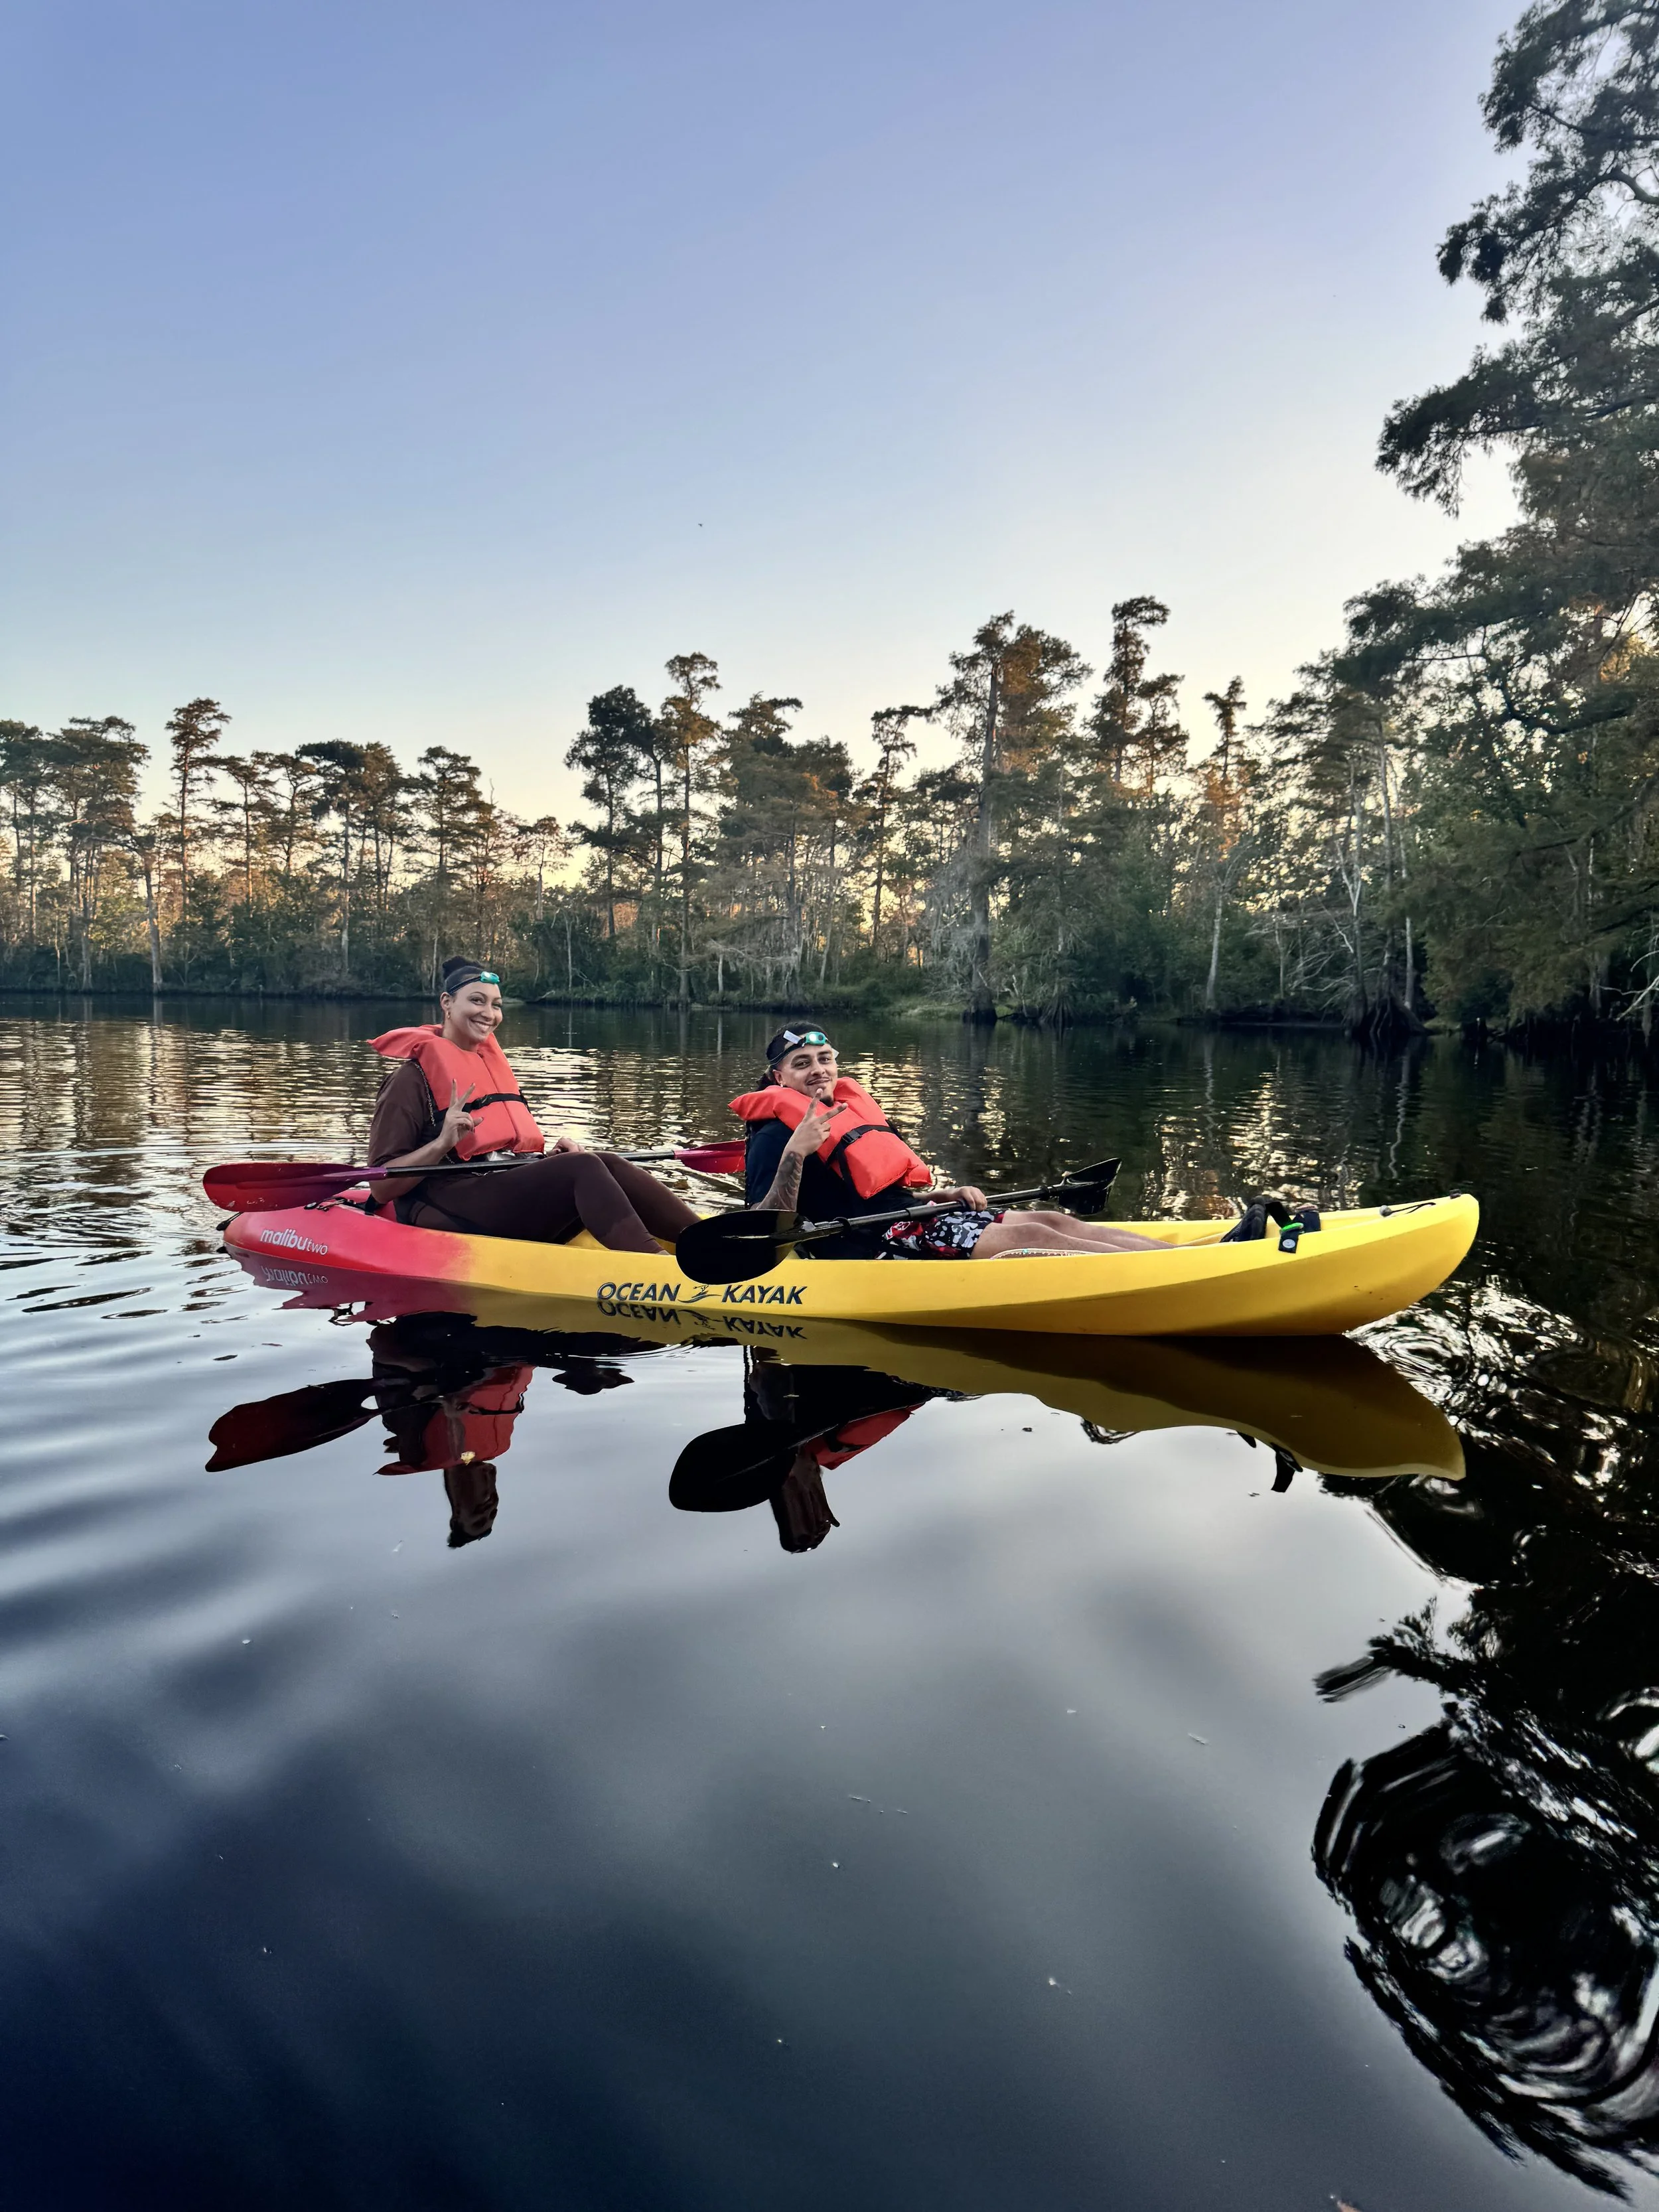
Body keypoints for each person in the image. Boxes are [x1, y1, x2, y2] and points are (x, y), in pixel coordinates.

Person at [732, 1023, 1169, 1260]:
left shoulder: (849, 1112)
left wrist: (942, 1194)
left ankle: (1184, 1258)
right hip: (866, 1243)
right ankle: (1161, 1274)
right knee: (1034, 1232)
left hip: (910, 1216)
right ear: (779, 1077)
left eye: (825, 1059)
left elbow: (881, 1191)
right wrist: (795, 1153)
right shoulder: (775, 1135)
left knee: (1053, 1222)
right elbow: (763, 1226)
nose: (819, 1070)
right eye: (802, 1063)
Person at [366, 956, 699, 1256]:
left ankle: (711, 1240)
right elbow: (381, 1187)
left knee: (599, 1161)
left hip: (493, 1193)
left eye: (496, 1005)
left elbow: (499, 1155)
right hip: (445, 1204)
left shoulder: (486, 1065)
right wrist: (441, 1144)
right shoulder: (409, 1080)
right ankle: (659, 1268)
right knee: (582, 1169)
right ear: (447, 1003)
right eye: (477, 1001)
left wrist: (547, 1162)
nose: (489, 1014)